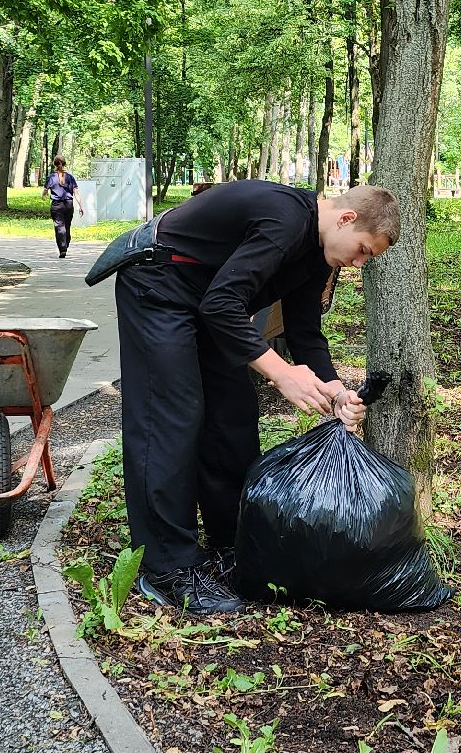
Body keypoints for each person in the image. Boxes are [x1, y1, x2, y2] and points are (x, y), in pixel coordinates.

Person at [115, 181, 400, 614]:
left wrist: (336, 389)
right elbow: (222, 304)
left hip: (209, 299)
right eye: (363, 250)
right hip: (159, 284)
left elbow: (304, 332)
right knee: (172, 417)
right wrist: (281, 374)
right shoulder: (285, 219)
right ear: (346, 219)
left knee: (233, 417)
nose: (360, 263)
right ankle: (166, 568)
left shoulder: (319, 253)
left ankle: (230, 543)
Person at [45, 157, 81, 258]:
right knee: (67, 226)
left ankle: (62, 248)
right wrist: (81, 206)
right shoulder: (70, 177)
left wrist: (44, 195)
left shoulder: (51, 178)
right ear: (64, 164)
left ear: (54, 165)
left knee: (59, 226)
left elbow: (44, 191)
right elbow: (76, 193)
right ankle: (66, 244)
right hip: (69, 204)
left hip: (57, 205)